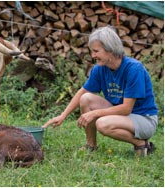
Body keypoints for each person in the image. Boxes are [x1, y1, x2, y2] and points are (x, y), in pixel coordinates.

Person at [42, 26, 158, 156]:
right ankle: (91, 146)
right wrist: (62, 116)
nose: (93, 55)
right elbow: (82, 92)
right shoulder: (100, 69)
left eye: (96, 51)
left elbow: (126, 109)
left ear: (110, 49)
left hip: (144, 119)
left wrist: (95, 114)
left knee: (102, 124)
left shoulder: (134, 69)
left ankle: (141, 144)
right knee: (86, 99)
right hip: (122, 116)